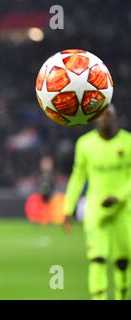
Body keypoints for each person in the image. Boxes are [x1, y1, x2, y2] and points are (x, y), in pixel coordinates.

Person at [63, 104, 131, 300]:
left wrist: (118, 196)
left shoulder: (127, 142)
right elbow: (78, 177)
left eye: (108, 115)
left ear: (114, 117)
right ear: (94, 119)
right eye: (100, 116)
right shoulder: (85, 144)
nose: (104, 119)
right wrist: (68, 208)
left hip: (123, 211)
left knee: (122, 263)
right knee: (97, 259)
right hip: (96, 210)